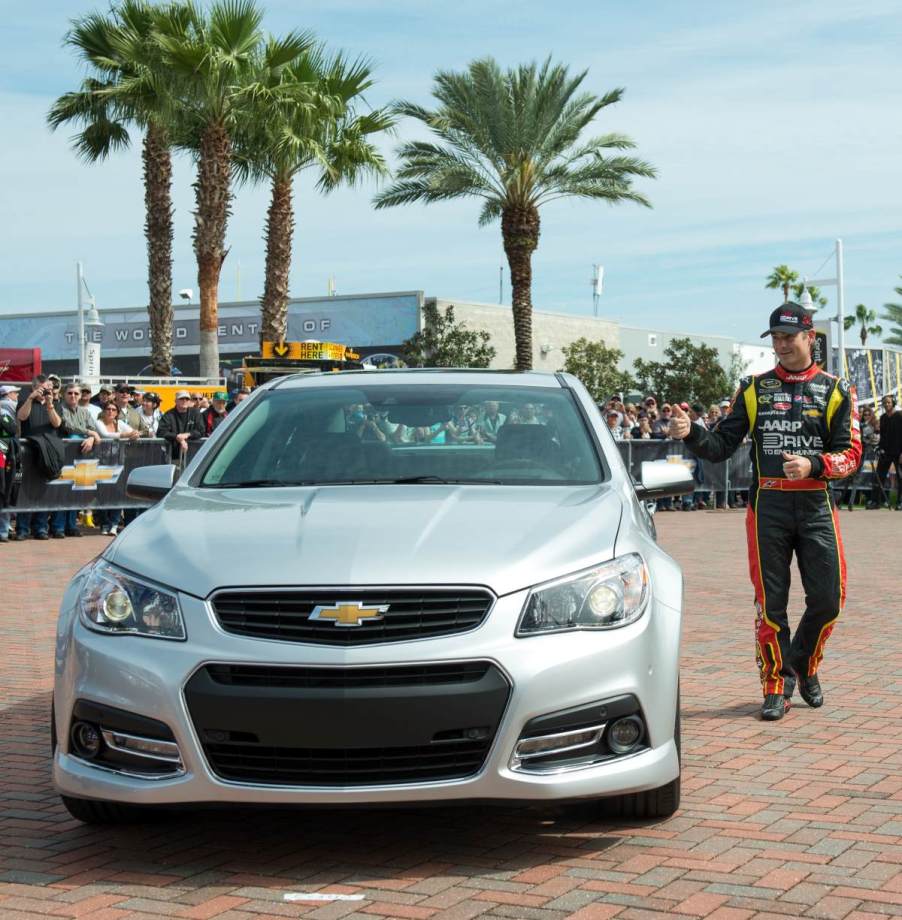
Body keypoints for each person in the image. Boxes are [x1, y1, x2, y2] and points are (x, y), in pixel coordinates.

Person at [669, 302, 861, 721]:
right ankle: (776, 686)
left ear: (810, 338)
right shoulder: (753, 388)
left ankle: (801, 665)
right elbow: (720, 447)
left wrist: (815, 465)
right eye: (775, 337)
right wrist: (692, 434)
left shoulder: (836, 390)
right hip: (768, 506)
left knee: (829, 600)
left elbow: (852, 455)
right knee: (771, 603)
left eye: (789, 337)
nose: (781, 345)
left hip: (815, 504)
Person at [872, 395, 902, 510]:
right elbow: (883, 436)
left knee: (901, 478)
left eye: (889, 402)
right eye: (885, 403)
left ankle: (900, 502)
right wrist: (879, 447)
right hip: (886, 452)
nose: (886, 405)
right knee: (879, 477)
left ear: (893, 403)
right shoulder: (883, 418)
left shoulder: (900, 416)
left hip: (898, 453)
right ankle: (876, 502)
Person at [157, 390, 204, 459]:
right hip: (173, 456)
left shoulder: (195, 413)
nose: (184, 401)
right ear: (176, 401)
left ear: (189, 401)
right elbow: (161, 432)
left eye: (187, 399)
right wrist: (177, 437)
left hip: (193, 455)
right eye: (181, 399)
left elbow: (201, 430)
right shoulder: (168, 414)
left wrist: (187, 435)